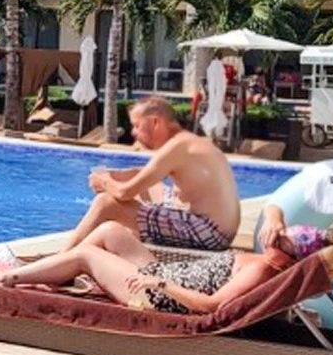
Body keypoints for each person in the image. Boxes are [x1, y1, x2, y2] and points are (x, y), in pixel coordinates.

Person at [0, 205, 333, 315]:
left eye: (279, 240)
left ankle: (9, 278)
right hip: (164, 273)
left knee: (88, 253)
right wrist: (275, 220)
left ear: (287, 256)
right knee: (112, 230)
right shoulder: (271, 262)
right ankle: (56, 270)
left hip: (157, 294)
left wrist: (160, 284)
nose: (271, 238)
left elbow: (211, 307)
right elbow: (273, 207)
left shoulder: (265, 270)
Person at [65, 96, 241, 252]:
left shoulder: (176, 147)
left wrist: (104, 182)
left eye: (137, 126)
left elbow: (124, 193)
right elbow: (145, 175)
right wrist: (114, 176)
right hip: (219, 230)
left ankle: (64, 258)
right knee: (147, 190)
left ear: (155, 122)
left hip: (209, 233)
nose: (133, 132)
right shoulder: (187, 142)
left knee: (105, 203)